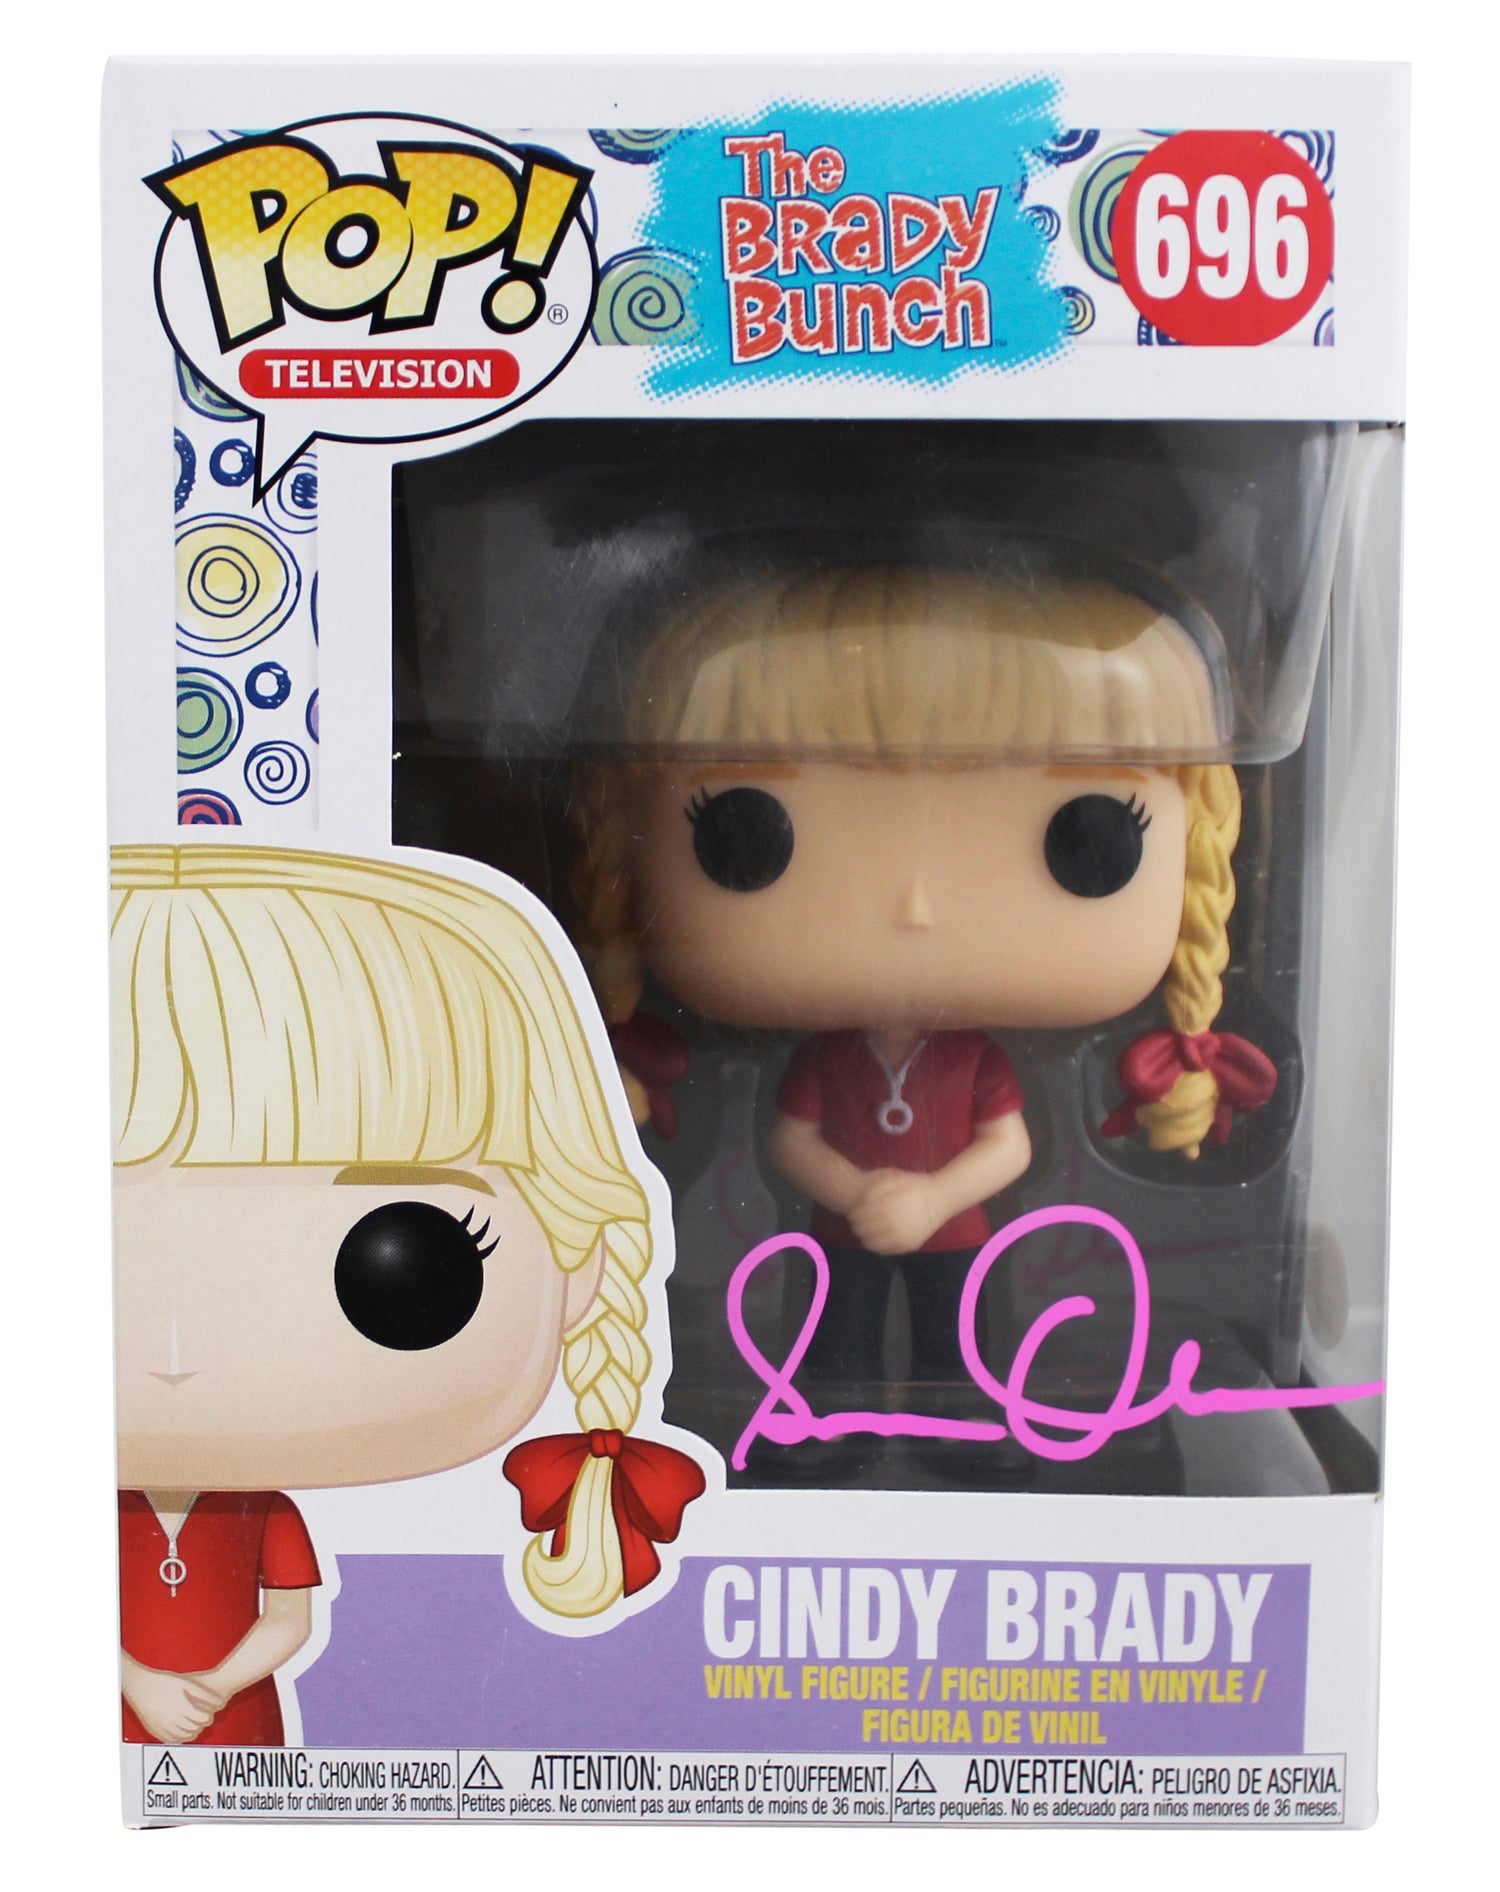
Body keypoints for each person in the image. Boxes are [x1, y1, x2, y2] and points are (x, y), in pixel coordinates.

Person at [570, 561, 1275, 1401]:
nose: (916, 905)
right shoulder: (827, 1060)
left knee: (961, 1341)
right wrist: (860, 1194)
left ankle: (968, 1418)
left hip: (955, 1229)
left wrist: (933, 1199)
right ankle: (832, 1418)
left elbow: (1010, 1147)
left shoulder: (971, 1061)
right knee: (837, 1339)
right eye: (745, 832)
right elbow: (790, 1143)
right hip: (845, 1227)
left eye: (1087, 835)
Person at [112, 844, 702, 1745]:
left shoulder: (264, 1513)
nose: (176, 1356)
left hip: (238, 1732)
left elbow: (290, 1618)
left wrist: (209, 1686)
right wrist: (139, 1685)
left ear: (575, 1259)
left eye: (402, 1264)